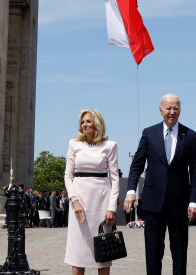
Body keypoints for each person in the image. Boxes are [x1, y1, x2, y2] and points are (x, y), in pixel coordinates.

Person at [125, 94, 196, 275]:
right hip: (153, 204)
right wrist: (130, 191)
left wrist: (194, 201)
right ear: (161, 111)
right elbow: (136, 165)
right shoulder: (148, 133)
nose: (172, 112)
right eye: (168, 108)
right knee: (153, 254)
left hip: (179, 204)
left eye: (175, 108)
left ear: (180, 110)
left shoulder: (191, 136)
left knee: (180, 254)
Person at [64, 108, 120, 275]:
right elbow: (68, 176)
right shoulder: (74, 144)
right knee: (78, 255)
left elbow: (115, 179)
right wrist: (74, 201)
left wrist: (111, 208)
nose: (84, 125)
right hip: (79, 203)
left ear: (97, 124)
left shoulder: (110, 146)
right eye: (82, 122)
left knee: (103, 254)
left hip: (101, 203)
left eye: (88, 121)